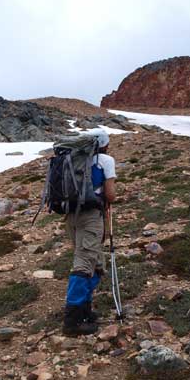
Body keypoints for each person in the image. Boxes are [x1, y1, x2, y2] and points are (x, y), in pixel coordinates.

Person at [62, 129, 116, 336]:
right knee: (84, 263)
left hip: (70, 215)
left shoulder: (71, 158)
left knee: (95, 262)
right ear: (104, 144)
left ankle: (84, 309)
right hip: (91, 215)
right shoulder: (105, 160)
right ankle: (72, 321)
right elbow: (110, 195)